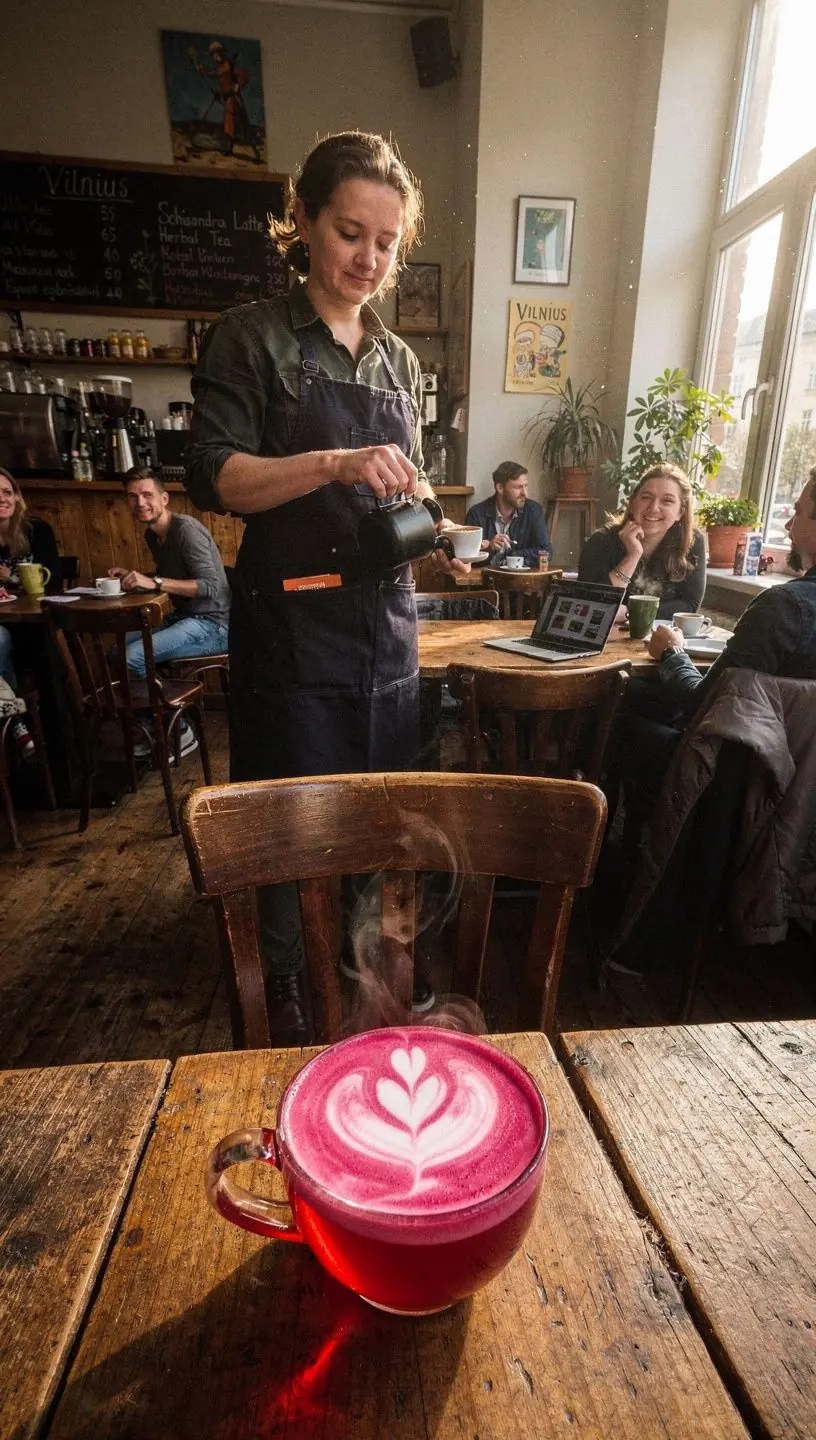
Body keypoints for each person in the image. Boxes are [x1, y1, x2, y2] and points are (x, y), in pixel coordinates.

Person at [185, 131, 468, 1044]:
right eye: (351, 233)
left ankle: (367, 1018)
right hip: (292, 638)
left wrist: (443, 538)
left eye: (386, 243)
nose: (369, 260)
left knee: (378, 838)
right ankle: (285, 1028)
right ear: (302, 220)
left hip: (384, 639)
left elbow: (409, 487)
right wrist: (334, 460)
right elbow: (218, 477)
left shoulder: (401, 363)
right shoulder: (253, 339)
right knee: (290, 841)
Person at [110, 468, 231, 761]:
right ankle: (152, 727)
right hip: (186, 618)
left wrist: (155, 582)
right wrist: (134, 577)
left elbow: (211, 587)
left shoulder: (185, 530)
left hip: (214, 625)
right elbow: (170, 578)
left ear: (164, 498)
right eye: (132, 497)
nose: (140, 503)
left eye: (147, 495)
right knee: (116, 653)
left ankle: (179, 732)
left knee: (132, 657)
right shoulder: (154, 536)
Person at [578, 462, 706, 620]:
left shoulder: (692, 541)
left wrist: (629, 613)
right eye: (646, 497)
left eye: (667, 501)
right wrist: (632, 556)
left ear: (680, 512)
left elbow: (690, 606)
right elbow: (589, 604)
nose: (653, 507)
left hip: (661, 636)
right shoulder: (602, 540)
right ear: (632, 504)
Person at [0, 467, 60, 757]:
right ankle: (16, 723)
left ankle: (27, 726)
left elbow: (55, 577)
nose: (2, 499)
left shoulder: (37, 530)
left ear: (17, 497)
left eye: (7, 492)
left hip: (35, 628)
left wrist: (9, 576)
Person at [465, 461, 552, 567]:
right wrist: (489, 547)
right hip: (485, 581)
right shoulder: (476, 514)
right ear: (500, 488)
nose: (524, 493)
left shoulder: (533, 510)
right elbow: (467, 557)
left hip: (521, 581)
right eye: (518, 487)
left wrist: (511, 557)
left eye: (525, 486)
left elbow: (546, 552)